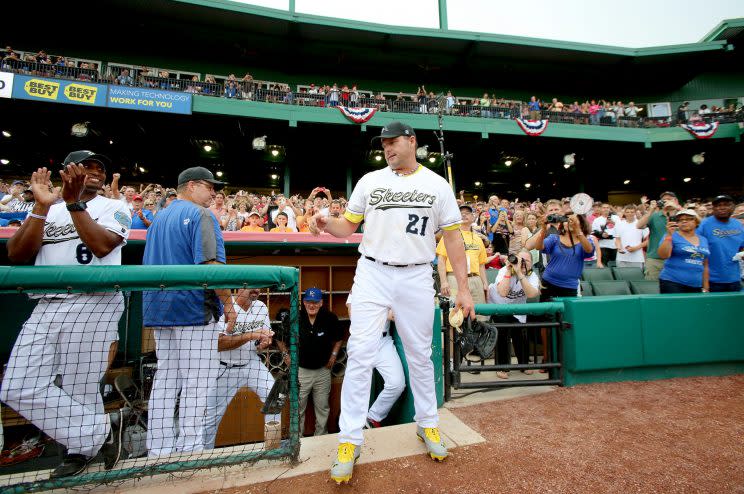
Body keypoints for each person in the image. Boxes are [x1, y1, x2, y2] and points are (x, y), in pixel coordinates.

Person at [308, 121, 474, 483]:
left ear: (413, 142)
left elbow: (454, 240)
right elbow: (348, 227)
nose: (387, 148)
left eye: (393, 141)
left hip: (416, 273)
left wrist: (463, 288)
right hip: (373, 272)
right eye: (383, 143)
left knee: (419, 353)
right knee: (361, 354)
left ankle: (428, 424)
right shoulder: (370, 181)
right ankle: (350, 439)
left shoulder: (436, 184)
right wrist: (325, 224)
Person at [1, 151, 131, 478]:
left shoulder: (114, 206)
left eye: (101, 167)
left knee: (81, 387)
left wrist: (74, 204)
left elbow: (103, 246)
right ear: (67, 171)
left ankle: (79, 452)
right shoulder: (48, 209)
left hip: (94, 300)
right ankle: (98, 433)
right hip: (47, 302)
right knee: (15, 387)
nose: (97, 172)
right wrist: (42, 207)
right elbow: (17, 254)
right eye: (87, 166)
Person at [142, 166, 235, 457]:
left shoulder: (159, 218)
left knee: (166, 378)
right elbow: (211, 267)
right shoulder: (202, 214)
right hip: (193, 309)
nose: (214, 193)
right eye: (209, 187)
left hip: (159, 309)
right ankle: (190, 450)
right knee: (198, 382)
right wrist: (229, 305)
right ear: (191, 185)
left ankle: (158, 450)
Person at [203, 289, 278, 449]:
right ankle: (203, 455)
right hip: (224, 367)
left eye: (259, 287)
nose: (257, 290)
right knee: (210, 418)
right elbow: (219, 344)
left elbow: (260, 342)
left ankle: (273, 447)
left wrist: (262, 343)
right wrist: (251, 335)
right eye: (251, 285)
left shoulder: (261, 307)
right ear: (239, 288)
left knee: (275, 396)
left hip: (251, 363)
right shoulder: (224, 307)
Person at [346, 296, 405, 429]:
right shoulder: (360, 284)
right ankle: (352, 424)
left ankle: (373, 417)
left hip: (383, 341)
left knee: (397, 383)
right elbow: (354, 315)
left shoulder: (390, 286)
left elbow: (397, 315)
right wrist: (385, 313)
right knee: (355, 386)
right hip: (361, 342)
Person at [293, 288, 342, 436]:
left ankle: (320, 438)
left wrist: (333, 355)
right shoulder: (296, 317)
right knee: (298, 407)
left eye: (315, 302)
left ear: (321, 303)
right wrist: (286, 356)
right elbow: (280, 337)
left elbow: (339, 338)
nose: (311, 305)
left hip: (323, 371)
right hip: (302, 371)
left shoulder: (329, 318)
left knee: (322, 407)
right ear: (303, 302)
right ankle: (297, 439)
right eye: (308, 301)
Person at [487, 249, 540, 379]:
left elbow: (532, 294)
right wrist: (509, 271)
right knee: (503, 330)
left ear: (531, 264)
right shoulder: (504, 270)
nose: (522, 263)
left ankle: (524, 364)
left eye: (526, 261)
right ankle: (502, 367)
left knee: (520, 332)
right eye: (520, 259)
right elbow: (503, 292)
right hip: (498, 305)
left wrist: (520, 274)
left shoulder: (532, 275)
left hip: (516, 308)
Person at [437, 204, 488, 321]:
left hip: (475, 279)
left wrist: (484, 283)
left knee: (480, 315)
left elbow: (481, 264)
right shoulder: (448, 236)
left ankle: (478, 339)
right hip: (454, 278)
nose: (464, 215)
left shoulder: (478, 238)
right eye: (461, 213)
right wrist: (444, 281)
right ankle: (456, 339)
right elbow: (441, 259)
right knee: (455, 316)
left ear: (473, 217)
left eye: (467, 213)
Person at [696, 195, 743, 292]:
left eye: (726, 205)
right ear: (713, 209)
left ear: (733, 207)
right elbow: (696, 248)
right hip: (711, 279)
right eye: (718, 205)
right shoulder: (705, 224)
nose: (722, 207)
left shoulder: (738, 224)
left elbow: (742, 247)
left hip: (734, 277)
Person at [657, 209, 710, 293]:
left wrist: (706, 286)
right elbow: (663, 255)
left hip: (696, 284)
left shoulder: (703, 240)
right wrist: (669, 235)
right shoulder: (671, 236)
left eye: (688, 219)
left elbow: (705, 265)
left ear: (696, 221)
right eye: (680, 220)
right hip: (672, 281)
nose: (684, 221)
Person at [636, 192, 682, 280]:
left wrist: (678, 208)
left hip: (677, 258)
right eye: (664, 200)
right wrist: (651, 210)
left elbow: (697, 224)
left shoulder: (683, 216)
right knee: (653, 289)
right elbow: (639, 225)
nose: (667, 201)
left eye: (670, 199)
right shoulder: (655, 215)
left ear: (676, 201)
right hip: (655, 259)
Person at [614, 204, 648, 269]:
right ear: (624, 213)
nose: (630, 214)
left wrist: (636, 248)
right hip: (621, 258)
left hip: (637, 258)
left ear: (635, 213)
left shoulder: (641, 224)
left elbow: (648, 240)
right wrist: (619, 247)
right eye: (627, 212)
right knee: (622, 278)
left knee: (637, 278)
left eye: (632, 212)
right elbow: (617, 239)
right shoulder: (619, 224)